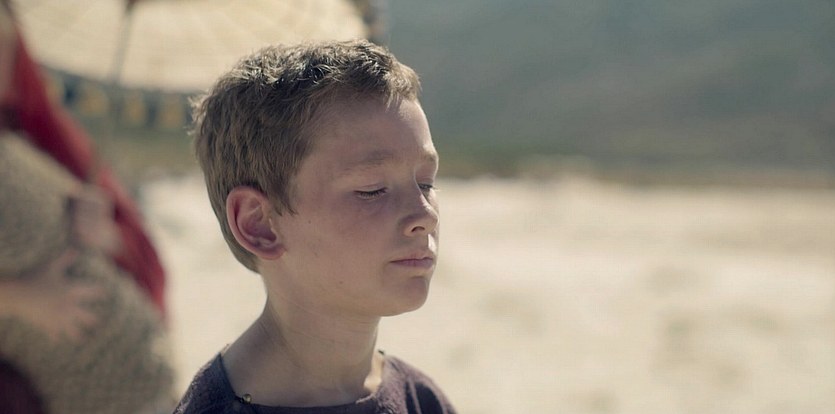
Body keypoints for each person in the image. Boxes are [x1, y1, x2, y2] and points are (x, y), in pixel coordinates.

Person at [174, 40, 456, 413]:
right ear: (259, 225)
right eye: (372, 189)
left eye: (426, 183)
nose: (425, 215)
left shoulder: (421, 399)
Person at [0, 2, 174, 412]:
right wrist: (20, 298)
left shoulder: (41, 132)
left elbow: (139, 252)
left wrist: (107, 234)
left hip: (142, 379)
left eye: (5, 46)